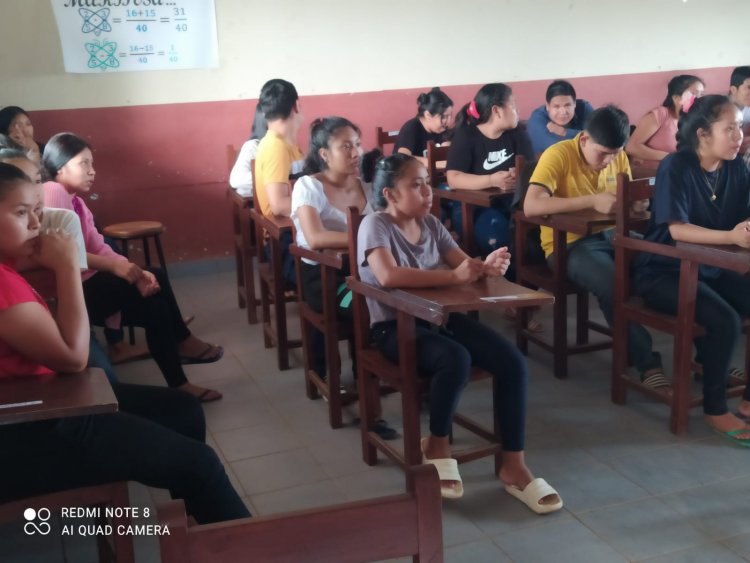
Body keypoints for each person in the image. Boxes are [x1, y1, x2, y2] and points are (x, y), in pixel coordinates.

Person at [0, 162, 249, 523]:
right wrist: (69, 265)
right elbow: (73, 357)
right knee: (201, 464)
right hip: (33, 430)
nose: (37, 226)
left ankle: (197, 529)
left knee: (182, 410)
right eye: (22, 214)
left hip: (51, 403)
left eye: (37, 212)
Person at [357, 153, 562, 513]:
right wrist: (453, 278)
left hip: (438, 319)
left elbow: (463, 265)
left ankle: (513, 464)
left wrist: (487, 266)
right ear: (389, 194)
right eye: (415, 185)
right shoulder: (376, 225)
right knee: (456, 359)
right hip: (394, 329)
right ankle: (438, 442)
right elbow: (388, 276)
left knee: (512, 362)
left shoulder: (432, 225)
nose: (427, 192)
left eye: (427, 182)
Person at [42, 132, 224, 402]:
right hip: (71, 291)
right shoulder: (53, 191)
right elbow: (66, 255)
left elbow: (100, 246)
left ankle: (180, 374)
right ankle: (181, 352)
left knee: (155, 296)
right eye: (84, 164)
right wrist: (119, 270)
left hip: (89, 283)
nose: (92, 172)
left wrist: (134, 270)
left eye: (92, 164)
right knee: (154, 300)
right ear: (60, 167)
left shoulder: (77, 202)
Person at [633, 95, 750, 445]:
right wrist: (731, 235)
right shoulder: (677, 165)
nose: (738, 136)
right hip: (663, 270)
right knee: (725, 320)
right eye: (729, 129)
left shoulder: (736, 166)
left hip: (713, 267)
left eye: (740, 128)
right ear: (702, 134)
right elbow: (677, 231)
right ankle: (715, 408)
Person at [524, 105, 667, 389]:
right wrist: (590, 201)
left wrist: (637, 205)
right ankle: (647, 363)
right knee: (614, 284)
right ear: (585, 139)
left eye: (614, 153)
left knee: (667, 263)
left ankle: (701, 351)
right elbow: (532, 205)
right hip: (569, 245)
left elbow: (629, 203)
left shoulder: (617, 156)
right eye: (603, 153)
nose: (608, 160)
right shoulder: (559, 154)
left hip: (614, 237)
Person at [291, 117, 396, 439]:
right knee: (366, 307)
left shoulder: (366, 187)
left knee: (406, 300)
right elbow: (316, 237)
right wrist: (368, 239)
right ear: (324, 153)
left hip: (365, 271)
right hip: (325, 277)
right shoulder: (308, 186)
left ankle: (396, 369)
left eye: (358, 144)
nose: (355, 152)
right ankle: (371, 410)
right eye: (345, 146)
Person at [445, 83, 533, 256]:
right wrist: (492, 180)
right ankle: (508, 279)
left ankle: (520, 279)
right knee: (503, 242)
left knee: (535, 239)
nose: (518, 111)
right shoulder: (466, 136)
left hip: (513, 203)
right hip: (473, 208)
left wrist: (518, 175)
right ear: (497, 111)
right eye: (513, 106)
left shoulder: (518, 133)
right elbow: (453, 178)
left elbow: (530, 168)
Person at [626, 75, 704, 162]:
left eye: (701, 94)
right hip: (650, 173)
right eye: (694, 93)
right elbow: (631, 147)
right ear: (676, 97)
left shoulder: (692, 122)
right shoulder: (660, 114)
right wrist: (671, 158)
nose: (699, 99)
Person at [526, 80, 594, 155]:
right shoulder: (537, 119)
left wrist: (564, 132)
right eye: (556, 106)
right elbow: (560, 149)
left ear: (574, 104)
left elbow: (598, 137)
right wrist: (586, 137)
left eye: (567, 105)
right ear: (548, 106)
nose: (563, 111)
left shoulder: (584, 108)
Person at [394, 87, 453, 166]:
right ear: (428, 115)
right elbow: (403, 158)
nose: (448, 121)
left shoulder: (443, 129)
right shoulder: (411, 128)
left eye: (450, 116)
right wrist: (434, 164)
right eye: (444, 117)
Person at [229, 104, 268, 196]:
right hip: (253, 197)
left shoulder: (284, 144)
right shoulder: (252, 146)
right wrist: (273, 176)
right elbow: (235, 180)